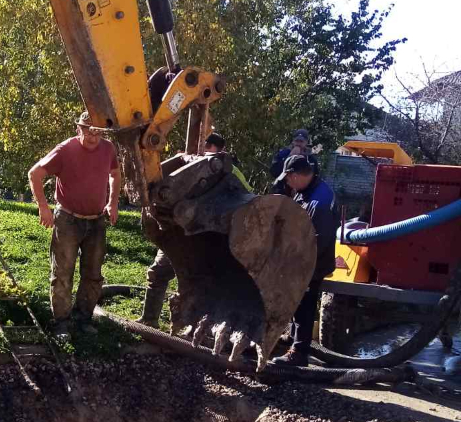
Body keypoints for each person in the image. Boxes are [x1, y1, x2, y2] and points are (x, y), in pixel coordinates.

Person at [137, 132, 252, 328]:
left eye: (208, 147)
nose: (204, 151)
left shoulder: (230, 172)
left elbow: (244, 201)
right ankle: (149, 319)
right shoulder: (192, 165)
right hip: (177, 233)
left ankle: (198, 327)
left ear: (219, 150)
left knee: (201, 284)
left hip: (206, 239)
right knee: (158, 272)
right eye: (203, 146)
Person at [28, 111, 121, 340]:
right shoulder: (65, 150)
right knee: (62, 273)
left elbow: (116, 173)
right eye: (88, 129)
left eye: (97, 130)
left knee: (93, 274)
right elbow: (35, 174)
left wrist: (113, 203)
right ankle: (61, 322)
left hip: (97, 221)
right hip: (68, 220)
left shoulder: (108, 149)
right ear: (78, 129)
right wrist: (43, 207)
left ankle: (84, 318)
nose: (92, 135)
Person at [270, 154, 338, 366]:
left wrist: (295, 265)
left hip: (313, 263)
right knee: (295, 301)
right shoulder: (305, 192)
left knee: (304, 304)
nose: (287, 182)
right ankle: (292, 338)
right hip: (301, 258)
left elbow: (318, 242)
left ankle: (299, 353)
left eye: (288, 178)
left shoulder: (320, 202)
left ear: (298, 175)